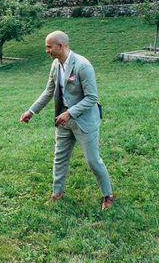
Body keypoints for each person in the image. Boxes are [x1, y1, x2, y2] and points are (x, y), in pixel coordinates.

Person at [20, 31, 114, 209]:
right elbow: (49, 91)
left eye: (49, 47)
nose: (47, 50)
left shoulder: (82, 66)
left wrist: (70, 113)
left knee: (93, 161)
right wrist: (31, 111)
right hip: (63, 121)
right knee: (60, 157)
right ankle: (57, 193)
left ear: (60, 46)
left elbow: (92, 98)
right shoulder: (56, 65)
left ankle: (108, 195)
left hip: (84, 121)